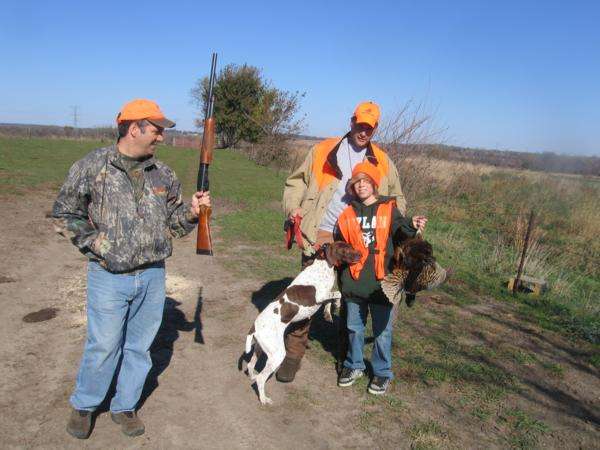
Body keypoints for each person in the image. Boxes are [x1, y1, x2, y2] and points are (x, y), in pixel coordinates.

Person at [52, 99, 210, 439]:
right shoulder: (93, 165)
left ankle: (125, 406)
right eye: (156, 130)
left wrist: (193, 213)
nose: (162, 138)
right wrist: (98, 245)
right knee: (103, 345)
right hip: (108, 276)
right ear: (134, 127)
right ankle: (85, 404)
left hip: (153, 276)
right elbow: (65, 213)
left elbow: (173, 225)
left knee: (139, 347)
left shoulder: (163, 174)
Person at [280, 101, 407, 382]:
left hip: (362, 239)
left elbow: (397, 200)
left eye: (369, 128)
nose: (363, 132)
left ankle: (348, 356)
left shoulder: (383, 161)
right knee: (306, 294)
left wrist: (398, 232)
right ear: (351, 122)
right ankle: (293, 353)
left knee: (352, 298)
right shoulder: (323, 150)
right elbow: (296, 182)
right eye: (360, 125)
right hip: (322, 233)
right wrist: (294, 209)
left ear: (375, 129)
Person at [335, 162, 426, 395]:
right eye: (357, 182)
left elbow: (402, 229)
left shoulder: (388, 208)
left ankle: (382, 372)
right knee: (354, 327)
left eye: (366, 181)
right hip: (355, 281)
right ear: (353, 187)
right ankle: (354, 365)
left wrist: (413, 225)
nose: (362, 185)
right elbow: (339, 244)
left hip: (382, 283)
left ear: (374, 184)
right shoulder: (347, 213)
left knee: (382, 331)